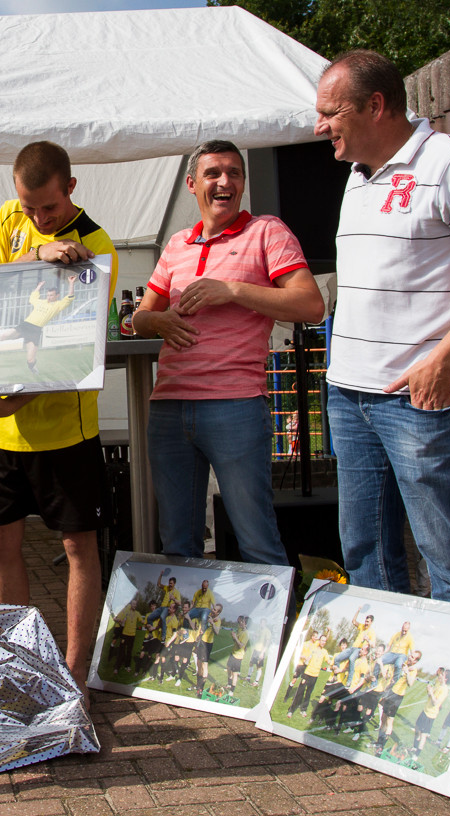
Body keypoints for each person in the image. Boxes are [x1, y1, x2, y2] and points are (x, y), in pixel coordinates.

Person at [316, 49, 450, 765]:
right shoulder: (357, 176)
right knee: (368, 556)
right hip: (351, 396)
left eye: (331, 112)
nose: (320, 127)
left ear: (376, 106)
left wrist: (443, 360)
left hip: (424, 404)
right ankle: (391, 711)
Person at [0, 141, 118, 695]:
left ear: (71, 188)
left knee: (78, 548)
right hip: (3, 432)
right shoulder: (9, 219)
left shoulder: (97, 246)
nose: (39, 218)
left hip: (65, 429)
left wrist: (9, 402)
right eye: (30, 208)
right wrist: (34, 256)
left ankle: (75, 673)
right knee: (0, 545)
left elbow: (73, 351)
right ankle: (19, 662)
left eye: (49, 207)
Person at [132, 139, 324, 565]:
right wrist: (158, 322)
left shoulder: (267, 231)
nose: (225, 182)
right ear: (192, 184)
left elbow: (311, 305)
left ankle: (274, 610)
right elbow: (140, 318)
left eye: (234, 173)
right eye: (213, 173)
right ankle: (190, 614)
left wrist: (233, 290)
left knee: (256, 540)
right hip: (169, 407)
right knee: (177, 544)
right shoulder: (177, 244)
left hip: (235, 405)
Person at [0, 275, 77, 376]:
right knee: (4, 336)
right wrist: (39, 286)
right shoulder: (40, 302)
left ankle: (32, 367)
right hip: (26, 325)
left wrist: (71, 283)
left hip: (35, 330)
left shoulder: (58, 305)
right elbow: (33, 297)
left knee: (30, 360)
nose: (48, 297)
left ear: (57, 296)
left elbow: (69, 297)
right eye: (48, 295)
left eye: (51, 295)